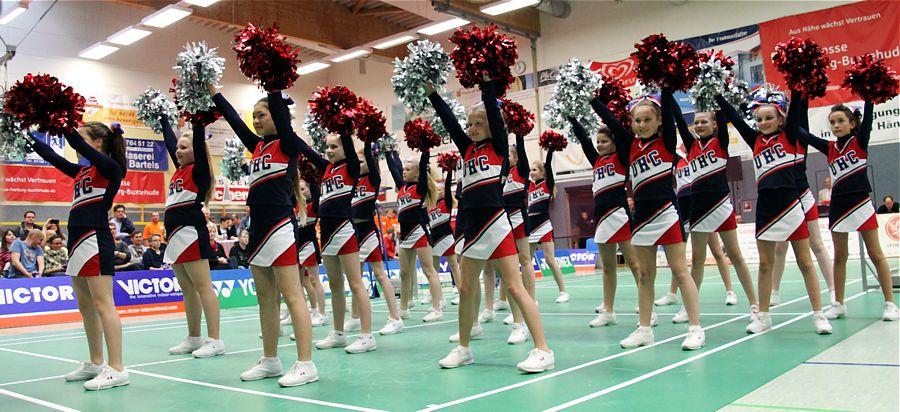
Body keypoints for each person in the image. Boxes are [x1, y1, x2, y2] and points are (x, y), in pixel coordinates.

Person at [427, 76, 554, 372]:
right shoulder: (466, 149)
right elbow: (449, 121)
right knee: (466, 289)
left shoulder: (498, 146)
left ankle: (543, 349)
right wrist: (432, 92)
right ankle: (463, 348)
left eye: (477, 124)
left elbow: (493, 113)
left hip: (495, 221)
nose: (471, 130)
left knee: (514, 285)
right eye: (469, 125)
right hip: (470, 224)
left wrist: (487, 84)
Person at [212, 86, 317, 386]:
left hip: (280, 225)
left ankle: (306, 363)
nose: (256, 121)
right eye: (254, 116)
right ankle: (270, 360)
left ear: (278, 116)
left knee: (292, 295)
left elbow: (279, 114)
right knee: (266, 298)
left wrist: (272, 83)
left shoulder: (288, 144)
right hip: (256, 228)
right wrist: (213, 92)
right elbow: (233, 120)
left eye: (262, 115)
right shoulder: (257, 147)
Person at [593, 90, 705, 350]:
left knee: (680, 271)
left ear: (658, 122)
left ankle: (696, 328)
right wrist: (592, 99)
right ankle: (644, 329)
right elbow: (610, 120)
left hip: (666, 213)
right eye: (636, 121)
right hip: (641, 217)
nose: (641, 125)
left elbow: (667, 109)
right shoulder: (629, 144)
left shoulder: (666, 141)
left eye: (646, 120)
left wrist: (666, 88)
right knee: (645, 275)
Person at [715, 89, 832, 334]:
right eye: (759, 119)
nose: (763, 123)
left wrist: (798, 81)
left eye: (769, 118)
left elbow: (799, 106)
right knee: (765, 264)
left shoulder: (791, 137)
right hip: (765, 208)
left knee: (805, 263)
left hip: (791, 205)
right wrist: (716, 97)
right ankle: (764, 316)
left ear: (781, 119)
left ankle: (819, 315)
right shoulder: (754, 140)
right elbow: (734, 118)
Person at [30, 120, 130, 389]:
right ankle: (96, 362)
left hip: (94, 238)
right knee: (86, 306)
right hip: (76, 240)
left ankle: (118, 368)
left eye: (83, 139)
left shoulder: (111, 168)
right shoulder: (82, 171)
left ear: (97, 143)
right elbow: (51, 156)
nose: (76, 146)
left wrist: (62, 120)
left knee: (102, 304)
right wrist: (25, 136)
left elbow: (73, 141)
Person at [797, 102, 897, 321]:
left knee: (876, 254)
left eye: (841, 121)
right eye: (832, 122)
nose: (836, 125)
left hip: (861, 203)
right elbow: (801, 133)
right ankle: (839, 304)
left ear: (852, 124)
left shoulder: (859, 142)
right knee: (840, 256)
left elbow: (868, 120)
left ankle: (890, 303)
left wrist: (870, 97)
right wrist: (791, 110)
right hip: (839, 207)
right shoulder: (830, 147)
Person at [664, 102, 758, 317]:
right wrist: (667, 94)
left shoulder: (720, 142)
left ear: (715, 124)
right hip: (698, 208)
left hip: (721, 205)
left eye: (704, 121)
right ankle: (689, 307)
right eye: (696, 122)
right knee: (697, 260)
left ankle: (754, 304)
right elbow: (678, 118)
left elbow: (723, 113)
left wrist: (715, 93)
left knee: (735, 256)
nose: (699, 125)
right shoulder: (691, 145)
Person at [297, 129, 375, 354]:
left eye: (335, 146)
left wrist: (342, 126)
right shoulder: (326, 169)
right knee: (335, 284)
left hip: (344, 229)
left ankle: (367, 335)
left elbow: (349, 144)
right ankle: (338, 333)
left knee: (355, 282)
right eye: (327, 147)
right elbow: (307, 151)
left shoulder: (351, 166)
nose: (329, 151)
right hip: (327, 232)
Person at [568, 119, 643, 328]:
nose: (599, 145)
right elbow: (584, 141)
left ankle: (647, 308)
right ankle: (609, 311)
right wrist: (573, 119)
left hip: (619, 214)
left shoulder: (621, 159)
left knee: (635, 264)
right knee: (608, 268)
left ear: (614, 143)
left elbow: (620, 132)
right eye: (598, 141)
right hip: (601, 217)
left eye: (604, 141)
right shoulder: (596, 161)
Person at [770, 92, 834, 307]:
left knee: (816, 243)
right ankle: (774, 292)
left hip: (803, 194)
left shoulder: (798, 133)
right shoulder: (771, 138)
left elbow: (800, 110)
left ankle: (834, 290)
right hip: (784, 198)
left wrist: (801, 84)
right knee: (780, 247)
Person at [347, 141, 403, 335]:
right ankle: (354, 317)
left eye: (361, 161)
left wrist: (368, 140)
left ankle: (395, 317)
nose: (358, 164)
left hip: (368, 230)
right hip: (354, 231)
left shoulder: (372, 179)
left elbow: (370, 160)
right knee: (356, 276)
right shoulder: (352, 181)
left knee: (379, 273)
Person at [386, 149, 445, 321]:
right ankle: (403, 308)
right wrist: (389, 151)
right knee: (405, 273)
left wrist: (425, 147)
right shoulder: (402, 186)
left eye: (408, 169)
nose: (404, 171)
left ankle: (437, 307)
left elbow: (423, 162)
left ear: (418, 172)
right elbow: (393, 169)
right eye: (404, 169)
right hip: (404, 234)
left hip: (419, 231)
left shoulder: (420, 187)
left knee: (429, 270)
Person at [527, 148, 569, 303]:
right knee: (527, 262)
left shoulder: (548, 184)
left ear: (542, 172)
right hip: (530, 226)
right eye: (530, 170)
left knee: (550, 260)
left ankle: (563, 291)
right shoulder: (529, 186)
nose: (531, 172)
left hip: (544, 224)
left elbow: (549, 165)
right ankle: (531, 296)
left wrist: (550, 148)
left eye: (534, 170)